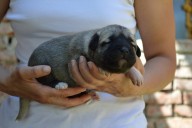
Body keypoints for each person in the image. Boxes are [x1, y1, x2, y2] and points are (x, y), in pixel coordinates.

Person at [0, 0, 176, 128]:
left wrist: (129, 87)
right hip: (28, 122)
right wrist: (7, 81)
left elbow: (163, 58)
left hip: (118, 122)